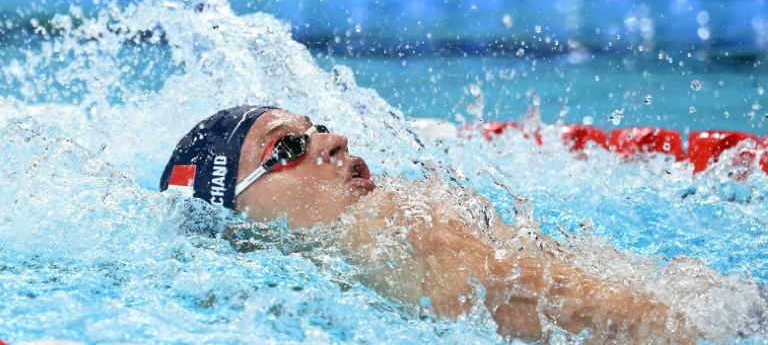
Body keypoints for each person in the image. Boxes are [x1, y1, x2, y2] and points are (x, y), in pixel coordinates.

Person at [159, 105, 712, 343]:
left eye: (318, 127)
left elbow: (529, 296)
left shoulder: (392, 218)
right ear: (234, 210)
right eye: (289, 146)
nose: (333, 140)